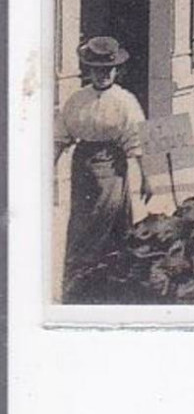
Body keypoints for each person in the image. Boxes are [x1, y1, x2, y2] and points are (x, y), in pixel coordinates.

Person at [55, 37, 150, 302]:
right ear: (89, 70)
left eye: (107, 70)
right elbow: (60, 137)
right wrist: (47, 171)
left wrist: (146, 177)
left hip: (113, 168)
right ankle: (79, 287)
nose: (102, 75)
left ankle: (110, 287)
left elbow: (136, 140)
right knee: (83, 226)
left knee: (111, 221)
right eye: (97, 70)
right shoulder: (76, 100)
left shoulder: (125, 101)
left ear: (116, 70)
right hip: (84, 168)